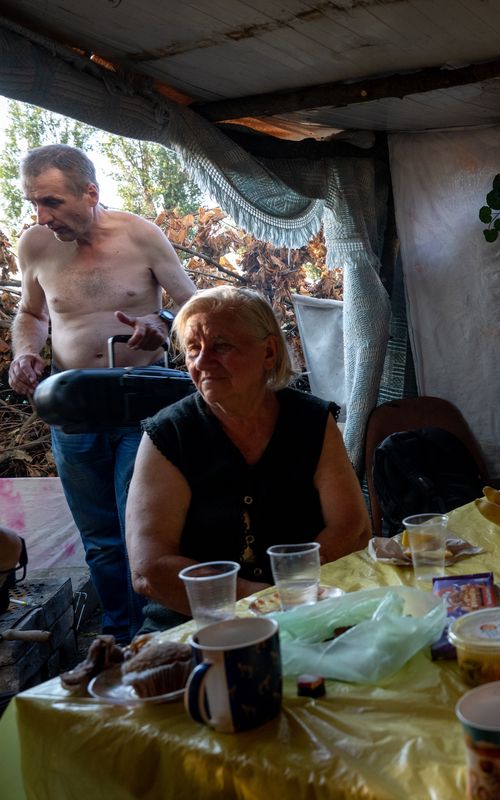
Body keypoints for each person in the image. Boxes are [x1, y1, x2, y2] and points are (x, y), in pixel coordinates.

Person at [8, 144, 196, 643]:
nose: (41, 216)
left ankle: (155, 636)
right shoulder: (35, 245)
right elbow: (31, 315)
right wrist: (24, 353)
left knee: (143, 535)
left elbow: (196, 309)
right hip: (72, 410)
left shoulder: (141, 236)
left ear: (90, 192)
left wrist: (163, 323)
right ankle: (118, 637)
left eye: (51, 202)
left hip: (144, 408)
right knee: (101, 541)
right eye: (33, 203)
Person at [125, 287, 369, 630]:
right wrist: (259, 600)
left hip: (309, 608)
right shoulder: (168, 435)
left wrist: (292, 595)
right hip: (196, 625)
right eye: (194, 348)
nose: (202, 361)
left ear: (269, 352)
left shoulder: (310, 420)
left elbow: (352, 528)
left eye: (221, 346)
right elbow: (150, 570)